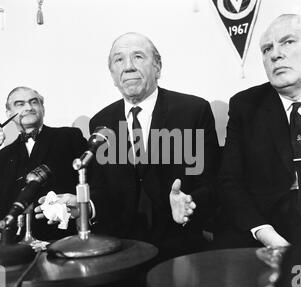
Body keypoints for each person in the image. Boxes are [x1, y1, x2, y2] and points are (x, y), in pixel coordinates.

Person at [36, 32, 220, 259]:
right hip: (119, 249)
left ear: (158, 67)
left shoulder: (193, 111)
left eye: (138, 57)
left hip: (178, 247)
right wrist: (86, 205)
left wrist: (190, 203)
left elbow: (211, 181)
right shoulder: (101, 122)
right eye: (119, 60)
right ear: (113, 75)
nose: (128, 66)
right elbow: (103, 189)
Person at [217, 14, 301, 249]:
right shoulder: (246, 106)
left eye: (288, 42)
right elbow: (230, 182)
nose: (275, 54)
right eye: (266, 49)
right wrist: (264, 232)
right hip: (267, 234)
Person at [0, 86, 87, 241]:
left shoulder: (69, 137)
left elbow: (95, 182)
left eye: (34, 102)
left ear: (42, 108)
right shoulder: (3, 154)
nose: (28, 107)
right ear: (8, 114)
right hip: (15, 248)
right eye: (20, 104)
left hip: (63, 241)